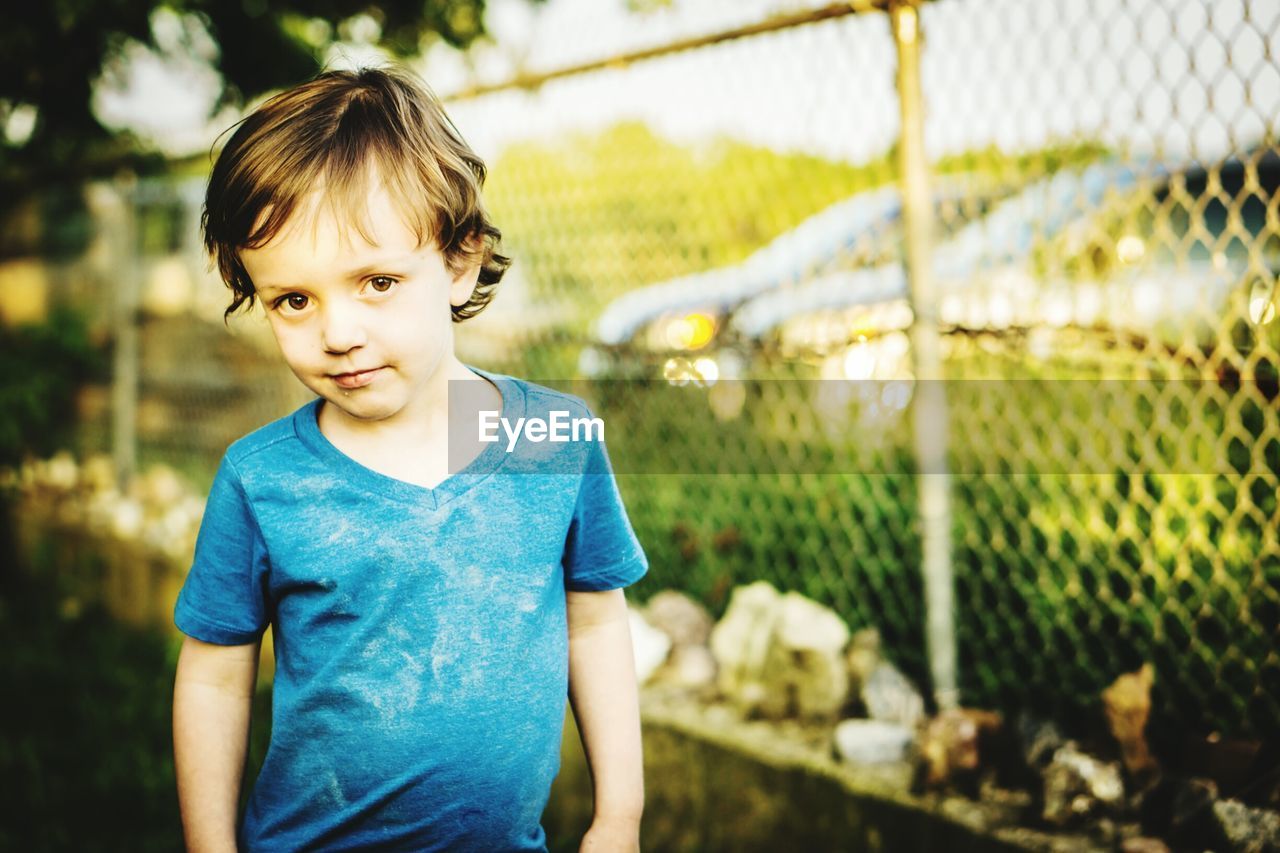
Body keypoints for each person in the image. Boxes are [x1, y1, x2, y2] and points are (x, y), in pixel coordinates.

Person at [171, 66, 649, 852]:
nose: (337, 331)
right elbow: (215, 675)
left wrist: (619, 814)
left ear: (460, 264)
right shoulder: (262, 480)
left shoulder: (553, 440)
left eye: (378, 281)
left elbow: (594, 626)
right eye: (294, 299)